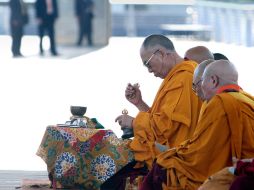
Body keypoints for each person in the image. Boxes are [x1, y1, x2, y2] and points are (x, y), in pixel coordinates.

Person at [139, 59, 254, 190]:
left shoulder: (220, 102)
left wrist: (172, 155)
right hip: (246, 166)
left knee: (162, 167)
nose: (197, 92)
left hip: (228, 170)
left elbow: (202, 154)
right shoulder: (248, 99)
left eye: (199, 84)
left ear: (213, 80)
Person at [106, 34, 202, 190]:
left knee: (107, 162)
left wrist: (133, 122)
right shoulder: (175, 77)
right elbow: (163, 122)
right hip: (165, 149)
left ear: (161, 53)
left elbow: (166, 128)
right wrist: (139, 103)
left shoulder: (184, 78)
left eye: (148, 64)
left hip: (176, 157)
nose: (149, 71)